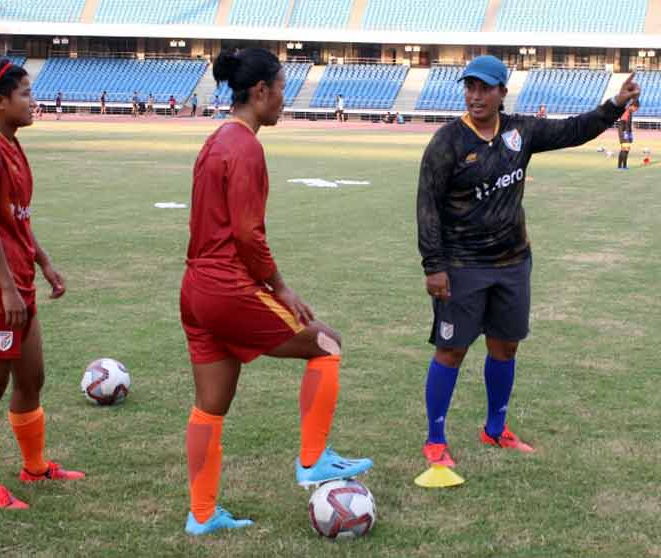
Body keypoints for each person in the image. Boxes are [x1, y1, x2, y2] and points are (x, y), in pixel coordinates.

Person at [416, 55, 639, 476]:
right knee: (452, 350)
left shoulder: (521, 131)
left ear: (502, 92)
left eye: (485, 88)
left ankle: (495, 429)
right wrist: (434, 265)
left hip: (512, 262)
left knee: (506, 345)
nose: (475, 96)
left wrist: (615, 105)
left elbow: (574, 130)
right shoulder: (447, 142)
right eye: (470, 87)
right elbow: (427, 206)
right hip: (462, 265)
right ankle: (435, 439)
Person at [180, 48, 372, 535]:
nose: (285, 98)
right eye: (283, 88)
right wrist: (281, 288)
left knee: (211, 404)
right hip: (227, 286)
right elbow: (247, 234)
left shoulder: (216, 139)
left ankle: (202, 515)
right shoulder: (245, 145)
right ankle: (313, 459)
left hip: (196, 288)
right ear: (260, 91)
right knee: (327, 344)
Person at [0, 59, 85, 509]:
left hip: (19, 286)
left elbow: (15, 222)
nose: (35, 101)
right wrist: (8, 287)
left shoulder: (10, 144)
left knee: (32, 379)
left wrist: (44, 262)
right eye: (26, 94)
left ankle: (33, 468)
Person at [617, 100, 639, 169]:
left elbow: (626, 123)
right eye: (636, 108)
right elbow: (626, 123)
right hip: (624, 130)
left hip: (623, 130)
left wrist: (630, 133)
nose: (636, 110)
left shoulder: (628, 111)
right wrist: (627, 133)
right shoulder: (628, 111)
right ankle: (624, 166)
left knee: (623, 149)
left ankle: (620, 166)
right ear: (633, 106)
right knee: (626, 149)